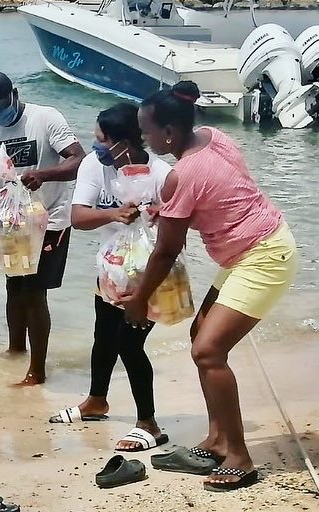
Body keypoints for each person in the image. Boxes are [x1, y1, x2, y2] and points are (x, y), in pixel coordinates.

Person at [123, 80, 298, 493]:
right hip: (254, 247)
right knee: (199, 334)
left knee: (208, 350)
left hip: (264, 256)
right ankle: (218, 440)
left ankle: (239, 456)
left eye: (147, 130)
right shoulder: (213, 137)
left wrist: (139, 300)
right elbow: (216, 191)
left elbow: (166, 252)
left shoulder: (180, 174)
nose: (144, 138)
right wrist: (166, 209)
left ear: (168, 131)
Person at [48, 102, 172, 454]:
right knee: (103, 336)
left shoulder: (161, 173)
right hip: (112, 268)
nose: (95, 143)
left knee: (129, 345)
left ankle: (148, 422)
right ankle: (96, 402)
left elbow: (179, 223)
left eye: (102, 138)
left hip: (151, 274)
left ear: (122, 141)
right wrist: (113, 213)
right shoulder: (93, 165)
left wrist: (157, 213)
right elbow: (78, 217)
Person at [0, 72, 85, 385]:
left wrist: (45, 174)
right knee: (15, 287)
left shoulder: (46, 118)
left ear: (15, 94)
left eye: (2, 107)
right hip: (10, 224)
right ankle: (15, 349)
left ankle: (37, 371)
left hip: (50, 219)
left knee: (35, 292)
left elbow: (78, 159)